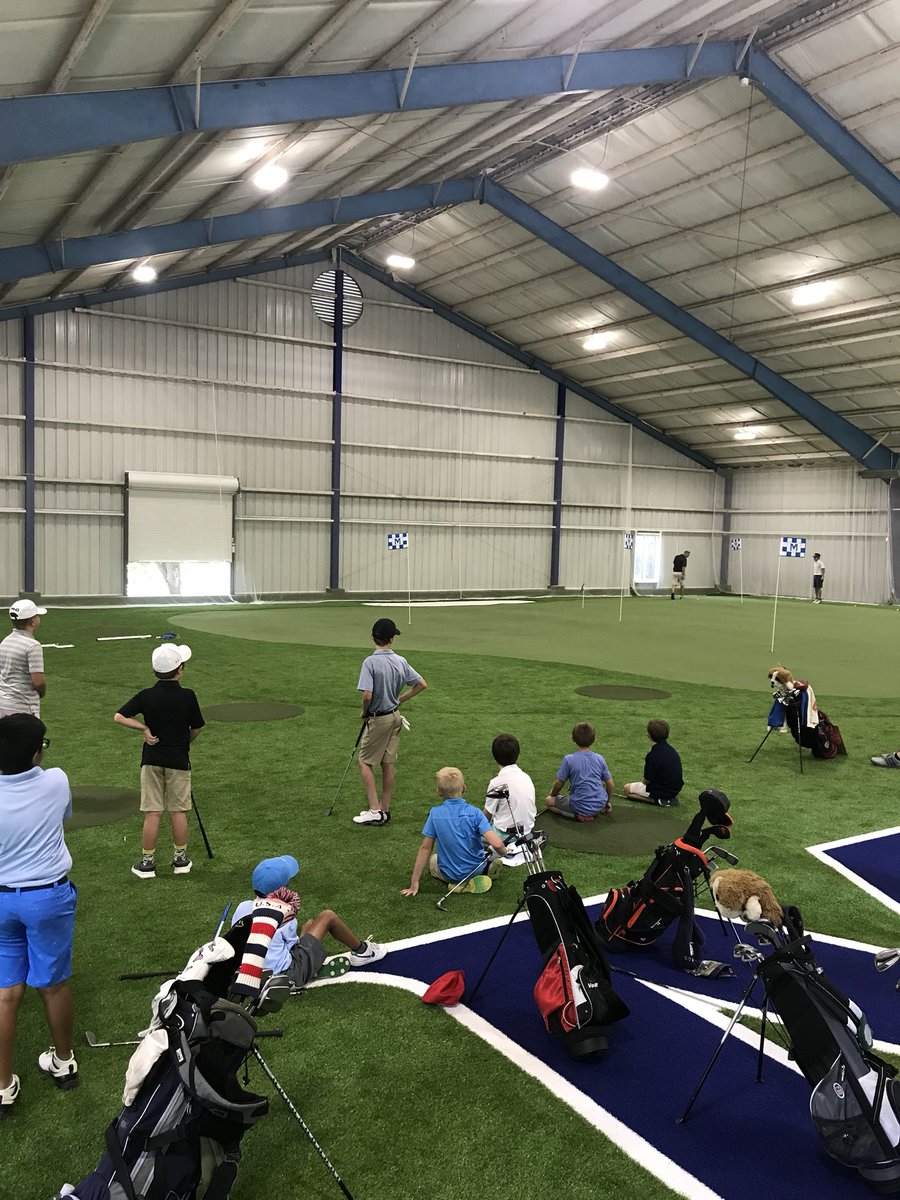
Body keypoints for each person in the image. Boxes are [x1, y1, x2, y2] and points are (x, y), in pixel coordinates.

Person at [0, 714, 79, 1113]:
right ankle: (64, 1063)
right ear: (35, 752)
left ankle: (2, 1085)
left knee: (5, 993)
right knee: (53, 983)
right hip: (47, 896)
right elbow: (64, 816)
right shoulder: (56, 780)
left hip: (1, 900)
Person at [114, 643, 204, 879]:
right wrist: (186, 742)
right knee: (178, 811)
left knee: (152, 813)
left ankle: (147, 863)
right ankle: (180, 860)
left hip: (151, 760)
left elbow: (119, 716)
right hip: (179, 760)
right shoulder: (188, 696)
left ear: (155, 671)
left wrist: (143, 728)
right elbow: (197, 727)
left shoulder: (146, 695)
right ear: (180, 669)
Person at [232, 856, 386, 986]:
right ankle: (363, 951)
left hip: (249, 974)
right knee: (327, 916)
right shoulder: (284, 914)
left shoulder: (243, 907)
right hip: (283, 977)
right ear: (284, 888)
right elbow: (292, 948)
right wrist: (304, 934)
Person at [353, 617, 427, 826]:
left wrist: (364, 712)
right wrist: (399, 699)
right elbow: (421, 684)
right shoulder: (400, 661)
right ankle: (385, 809)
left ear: (372, 637)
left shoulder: (370, 662)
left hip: (379, 719)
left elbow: (367, 695)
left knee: (365, 762)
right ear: (392, 639)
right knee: (387, 763)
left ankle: (375, 809)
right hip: (395, 717)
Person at [402, 768, 507, 896]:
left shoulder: (435, 814)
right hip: (476, 869)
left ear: (439, 792)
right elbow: (497, 844)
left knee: (434, 860)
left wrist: (414, 883)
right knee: (483, 855)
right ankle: (483, 872)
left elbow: (425, 848)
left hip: (449, 874)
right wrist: (505, 853)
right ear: (464, 788)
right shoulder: (476, 813)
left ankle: (459, 884)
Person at [546, 722, 613, 821]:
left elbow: (559, 784)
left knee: (549, 802)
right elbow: (610, 784)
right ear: (594, 739)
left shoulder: (569, 759)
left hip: (579, 805)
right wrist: (607, 802)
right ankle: (592, 812)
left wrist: (553, 794)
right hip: (600, 804)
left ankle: (578, 816)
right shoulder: (599, 758)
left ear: (573, 738)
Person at [483, 733, 536, 842]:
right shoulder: (526, 777)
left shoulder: (496, 783)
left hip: (506, 835)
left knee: (470, 836)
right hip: (528, 831)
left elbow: (486, 816)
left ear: (494, 756)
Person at [0, 599, 48, 718]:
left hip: (3, 704)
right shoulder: (33, 646)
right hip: (23, 707)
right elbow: (38, 682)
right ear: (33, 621)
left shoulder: (5, 641)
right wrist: (41, 693)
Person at [623, 718, 684, 807]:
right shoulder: (673, 751)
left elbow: (646, 781)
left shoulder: (653, 755)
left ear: (649, 735)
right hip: (675, 789)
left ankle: (655, 800)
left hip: (660, 791)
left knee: (627, 789)